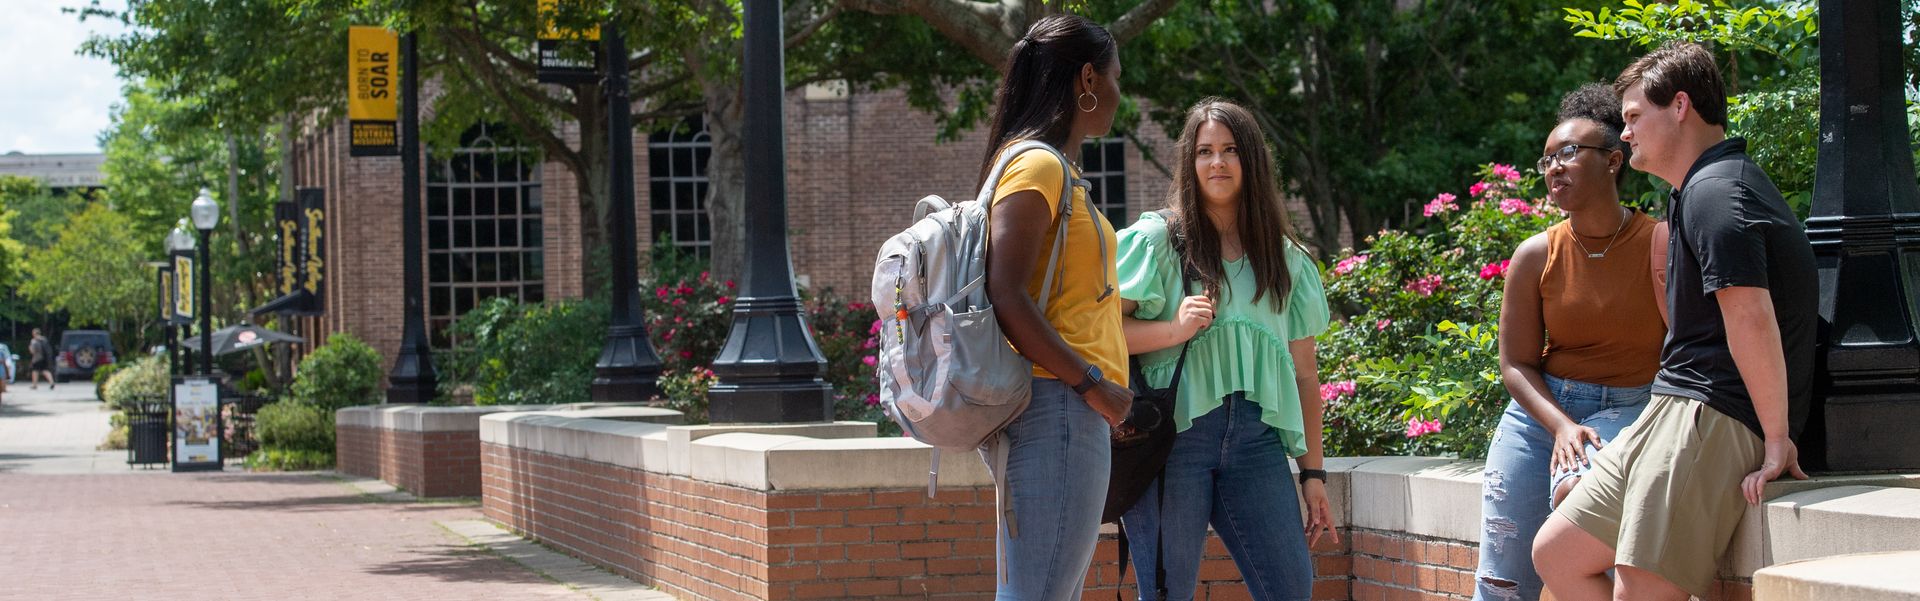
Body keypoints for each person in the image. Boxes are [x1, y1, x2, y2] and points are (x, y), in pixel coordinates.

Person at [1533, 42, 1819, 601]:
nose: (1626, 133)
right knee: (1556, 555)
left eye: (1635, 117)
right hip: (1671, 404)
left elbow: (1751, 319)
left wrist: (1778, 439)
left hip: (1711, 413)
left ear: (1681, 106)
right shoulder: (1696, 190)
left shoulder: (1717, 192)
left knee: (1639, 589)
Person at [1113, 99, 1338, 601]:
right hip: (1173, 442)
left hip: (1257, 443)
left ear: (1251, 160)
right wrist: (1173, 329)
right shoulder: (1158, 241)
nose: (1217, 163)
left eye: (1231, 150)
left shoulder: (1285, 260)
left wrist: (1313, 474)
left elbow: (1305, 376)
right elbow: (1100, 331)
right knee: (1168, 592)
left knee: (1291, 589)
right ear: (1189, 163)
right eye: (1205, 151)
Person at [1472, 84, 1666, 601]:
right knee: (1502, 575)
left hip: (1630, 405)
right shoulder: (1535, 254)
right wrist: (1559, 425)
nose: (1554, 167)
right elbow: (1515, 362)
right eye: (1547, 159)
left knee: (1574, 501)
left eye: (1568, 153)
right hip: (1543, 413)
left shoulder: (1660, 243)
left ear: (1613, 161)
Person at [980, 14, 1133, 601]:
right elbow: (1006, 291)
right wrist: (1093, 384)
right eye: (1118, 76)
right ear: (1088, 78)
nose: (1121, 92)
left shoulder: (1050, 167)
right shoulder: (1038, 164)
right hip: (1060, 408)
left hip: (1059, 408)